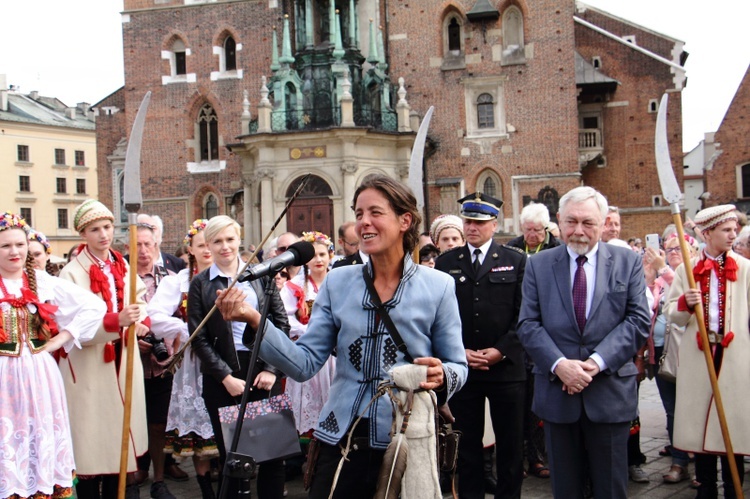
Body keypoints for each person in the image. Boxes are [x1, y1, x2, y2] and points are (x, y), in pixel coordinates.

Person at [215, 174, 467, 498]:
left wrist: (442, 374)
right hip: (340, 440)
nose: (364, 222)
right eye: (359, 214)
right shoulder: (338, 282)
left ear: (405, 220)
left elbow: (458, 366)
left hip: (404, 441)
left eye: (375, 212)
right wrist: (252, 318)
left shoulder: (438, 286)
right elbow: (303, 364)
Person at [516, 186, 650, 499]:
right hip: (557, 394)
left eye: (588, 223)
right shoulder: (537, 265)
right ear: (559, 222)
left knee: (610, 489)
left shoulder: (627, 262)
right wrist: (560, 365)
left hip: (609, 393)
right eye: (571, 221)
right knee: (566, 489)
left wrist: (595, 363)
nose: (578, 231)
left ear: (603, 224)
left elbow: (638, 320)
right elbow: (528, 323)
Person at [0, 212, 106, 499]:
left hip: (38, 373)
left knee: (39, 433)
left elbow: (93, 307)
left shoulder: (42, 283)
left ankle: (41, 486)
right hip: (3, 377)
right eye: (6, 246)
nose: (14, 252)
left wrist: (63, 337)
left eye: (19, 245)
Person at [189, 215, 290, 499]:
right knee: (234, 459)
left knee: (272, 455)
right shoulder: (201, 284)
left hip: (262, 372)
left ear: (239, 239)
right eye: (217, 241)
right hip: (224, 377)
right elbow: (198, 337)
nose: (225, 247)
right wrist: (224, 376)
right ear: (208, 245)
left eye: (230, 239)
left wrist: (272, 368)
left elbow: (280, 325)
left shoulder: (261, 276)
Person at [435, 192, 527, 499]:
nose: (472, 227)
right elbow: (438, 316)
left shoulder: (515, 260)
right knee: (467, 446)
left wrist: (502, 349)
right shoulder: (447, 262)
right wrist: (457, 351)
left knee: (511, 445)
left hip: (506, 368)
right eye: (468, 221)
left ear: (494, 224)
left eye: (479, 222)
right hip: (464, 368)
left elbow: (524, 314)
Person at [58, 199, 151, 499]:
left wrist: (142, 319)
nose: (103, 235)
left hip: (124, 356)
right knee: (91, 440)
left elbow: (138, 294)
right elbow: (71, 324)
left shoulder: (122, 262)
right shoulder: (71, 273)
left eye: (108, 227)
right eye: (95, 229)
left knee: (119, 443)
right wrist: (115, 321)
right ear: (83, 234)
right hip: (91, 366)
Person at [666, 205, 750, 499]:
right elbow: (672, 317)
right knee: (700, 423)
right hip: (698, 355)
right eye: (726, 230)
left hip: (735, 355)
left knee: (733, 423)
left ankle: (733, 488)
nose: (733, 234)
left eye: (734, 229)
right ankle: (706, 490)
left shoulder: (745, 268)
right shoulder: (685, 270)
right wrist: (685, 305)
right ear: (707, 233)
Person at [148, 219, 219, 499]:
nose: (207, 250)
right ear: (190, 248)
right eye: (200, 244)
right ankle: (205, 491)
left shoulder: (230, 275)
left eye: (210, 243)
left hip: (227, 357)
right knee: (200, 429)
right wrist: (184, 329)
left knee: (226, 423)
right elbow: (154, 317)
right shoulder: (176, 281)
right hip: (195, 361)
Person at [643, 232, 698, 485]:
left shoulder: (694, 272)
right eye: (670, 247)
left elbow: (686, 294)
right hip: (661, 352)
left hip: (687, 352)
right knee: (672, 410)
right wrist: (649, 276)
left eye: (680, 248)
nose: (674, 251)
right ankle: (679, 457)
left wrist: (662, 268)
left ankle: (691, 459)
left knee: (691, 409)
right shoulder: (660, 279)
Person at [134, 223, 178, 499]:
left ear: (156, 246)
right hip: (132, 361)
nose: (142, 250)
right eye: (136, 245)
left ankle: (159, 478)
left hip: (165, 362)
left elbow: (182, 316)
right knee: (136, 417)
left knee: (159, 421)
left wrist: (173, 340)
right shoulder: (121, 278)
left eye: (147, 244)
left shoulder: (171, 277)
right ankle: (138, 467)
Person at [279, 231, 337, 435]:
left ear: (330, 255)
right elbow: (284, 317)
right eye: (313, 255)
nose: (318, 259)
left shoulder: (339, 282)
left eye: (322, 254)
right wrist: (310, 331)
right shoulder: (293, 286)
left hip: (335, 356)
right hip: (308, 352)